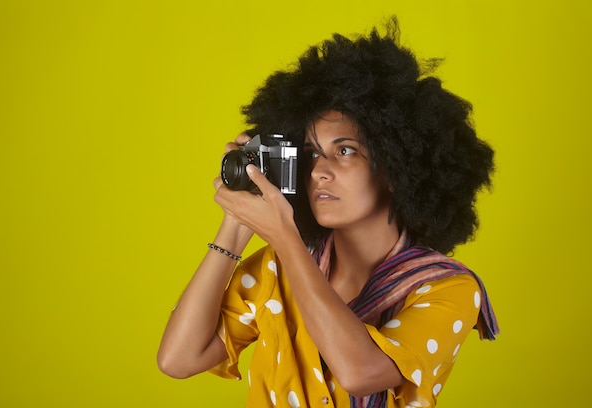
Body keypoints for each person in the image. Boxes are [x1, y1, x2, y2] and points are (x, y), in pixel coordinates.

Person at [158, 18, 499, 408]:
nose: (319, 170)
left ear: (396, 168)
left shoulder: (448, 289)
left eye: (345, 150)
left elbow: (361, 374)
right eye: (311, 153)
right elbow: (178, 359)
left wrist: (286, 239)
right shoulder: (276, 269)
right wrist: (234, 227)